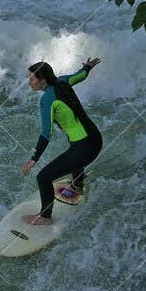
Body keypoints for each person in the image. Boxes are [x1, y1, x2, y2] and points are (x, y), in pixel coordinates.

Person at [20, 57, 103, 226]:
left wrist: (34, 158)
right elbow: (80, 76)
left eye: (32, 79)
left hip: (84, 148)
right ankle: (78, 184)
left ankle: (45, 217)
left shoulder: (47, 100)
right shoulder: (63, 81)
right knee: (72, 153)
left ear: (42, 81)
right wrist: (87, 66)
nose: (29, 82)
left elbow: (46, 133)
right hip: (95, 138)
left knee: (43, 177)